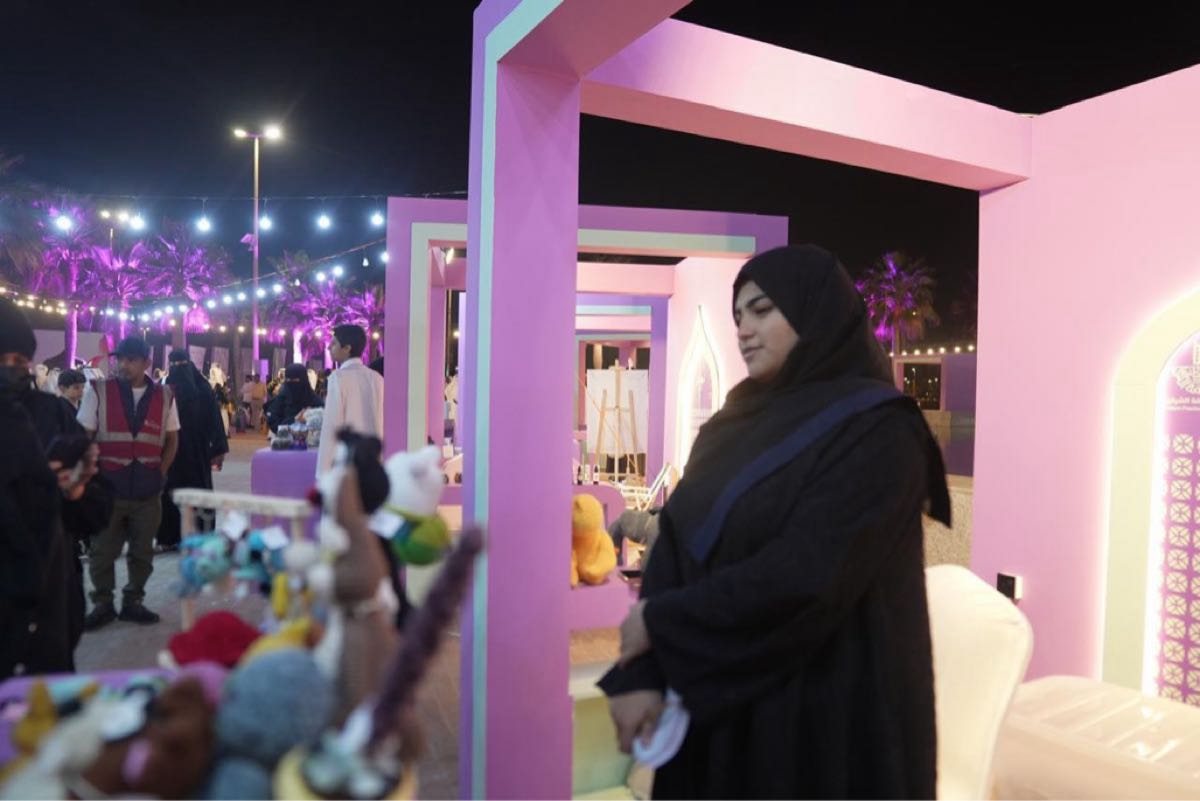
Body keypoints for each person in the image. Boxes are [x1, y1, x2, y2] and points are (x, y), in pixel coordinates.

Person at [598, 245, 950, 799]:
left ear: (816, 312)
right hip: (716, 716)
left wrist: (662, 623)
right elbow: (677, 545)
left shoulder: (880, 433)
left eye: (762, 310)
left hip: (819, 723)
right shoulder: (731, 427)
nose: (744, 329)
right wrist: (642, 672)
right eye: (738, 315)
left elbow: (809, 577)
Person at [0, 299, 100, 679]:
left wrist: (79, 491)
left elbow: (97, 504)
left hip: (49, 598)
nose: (10, 368)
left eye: (19, 359)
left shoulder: (51, 412)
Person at [78, 336, 180, 628]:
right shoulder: (98, 390)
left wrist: (160, 472)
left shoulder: (165, 395)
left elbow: (172, 439)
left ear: (147, 362)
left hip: (148, 491)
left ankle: (133, 601)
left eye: (131, 360)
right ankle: (103, 604)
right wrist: (88, 476)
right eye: (120, 359)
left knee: (142, 552)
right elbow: (82, 437)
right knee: (101, 552)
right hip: (107, 489)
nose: (123, 365)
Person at [156, 350, 229, 552]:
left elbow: (214, 419)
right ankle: (170, 537)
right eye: (174, 365)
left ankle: (198, 537)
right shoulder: (167, 387)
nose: (178, 369)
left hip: (194, 450)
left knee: (196, 492)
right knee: (169, 492)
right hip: (174, 449)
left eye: (181, 364)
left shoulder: (201, 389)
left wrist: (218, 450)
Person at [316, 324, 385, 474]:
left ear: (347, 348)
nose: (329, 347)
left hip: (347, 459)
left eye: (334, 343)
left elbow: (332, 424)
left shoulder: (338, 378)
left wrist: (324, 470)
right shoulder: (376, 378)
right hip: (373, 457)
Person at [265, 363, 323, 433]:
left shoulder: (315, 400)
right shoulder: (281, 399)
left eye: (295, 380)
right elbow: (273, 423)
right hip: (284, 439)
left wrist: (309, 419)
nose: (291, 383)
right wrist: (294, 419)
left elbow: (324, 424)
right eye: (288, 380)